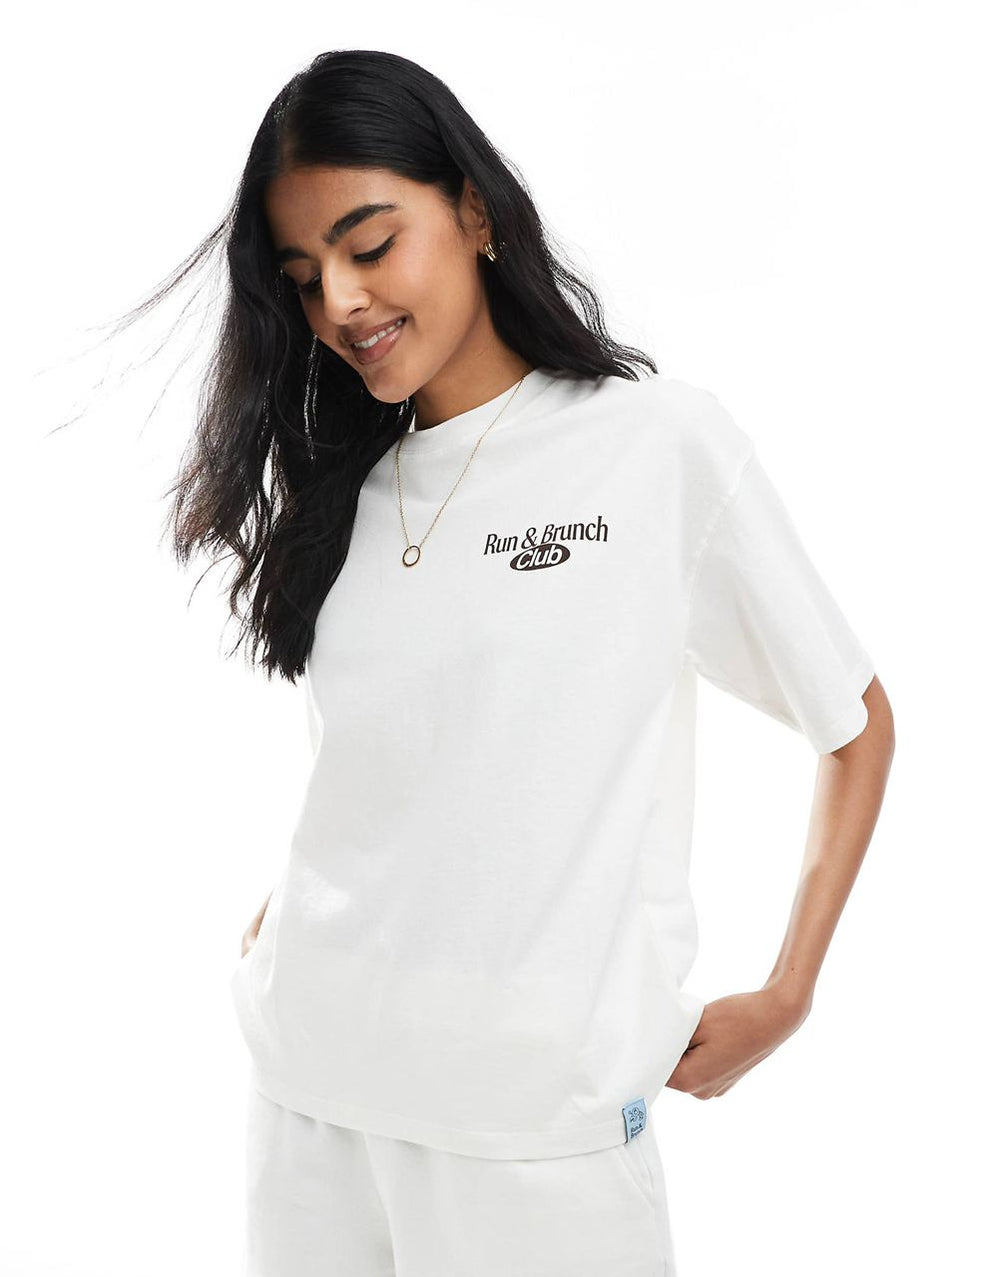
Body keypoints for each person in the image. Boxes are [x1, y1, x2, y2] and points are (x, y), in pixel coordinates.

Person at [136, 49, 894, 1277]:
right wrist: (305, 907)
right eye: (304, 276)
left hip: (538, 1134)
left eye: (369, 244)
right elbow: (400, 749)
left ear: (475, 212)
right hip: (311, 1101)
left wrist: (788, 989)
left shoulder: (650, 445)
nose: (340, 300)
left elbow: (852, 720)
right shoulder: (350, 490)